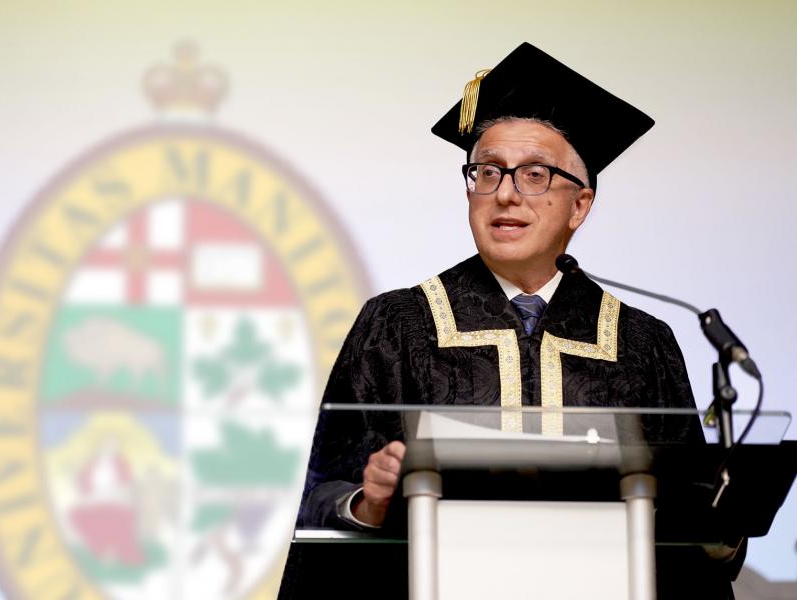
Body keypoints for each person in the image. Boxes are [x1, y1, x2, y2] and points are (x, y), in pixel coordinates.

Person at [287, 42, 738, 599]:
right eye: (487, 172)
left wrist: (722, 527)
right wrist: (366, 501)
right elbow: (321, 497)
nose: (505, 194)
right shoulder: (397, 324)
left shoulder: (641, 342)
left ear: (580, 205)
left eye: (534, 175)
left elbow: (696, 522)